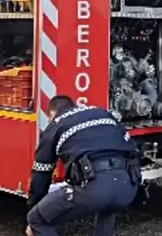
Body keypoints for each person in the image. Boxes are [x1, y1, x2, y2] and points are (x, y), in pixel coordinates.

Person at [26, 95, 141, 236]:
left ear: (52, 114)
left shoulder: (57, 124)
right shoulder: (102, 113)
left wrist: (35, 210)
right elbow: (132, 149)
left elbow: (40, 175)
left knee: (37, 219)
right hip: (127, 186)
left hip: (95, 188)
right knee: (109, 207)